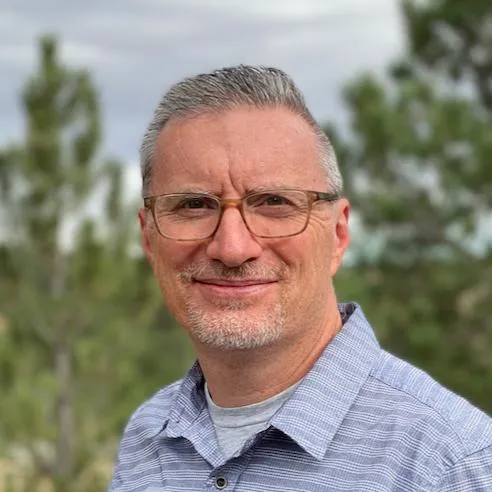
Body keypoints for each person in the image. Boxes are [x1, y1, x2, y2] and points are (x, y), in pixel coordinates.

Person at [109, 65, 492, 492]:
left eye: (274, 202)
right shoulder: (150, 439)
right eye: (194, 205)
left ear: (339, 235)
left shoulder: (449, 467)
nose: (233, 248)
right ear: (148, 236)